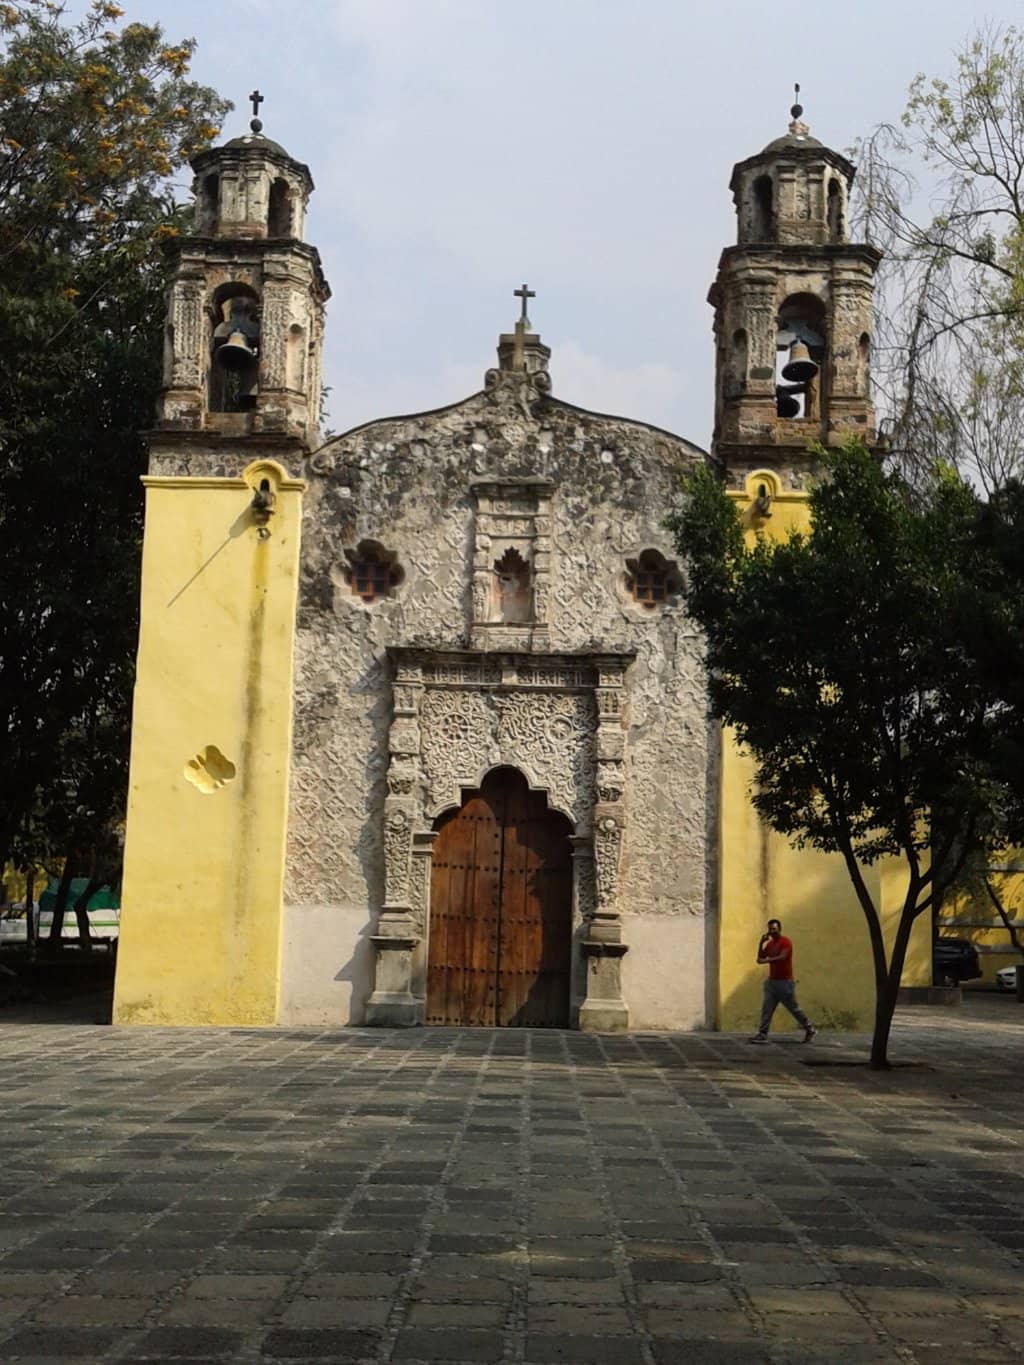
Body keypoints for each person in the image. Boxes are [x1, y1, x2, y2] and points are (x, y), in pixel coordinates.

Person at [749, 918, 817, 1043]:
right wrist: (761, 943)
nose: (772, 931)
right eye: (770, 929)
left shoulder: (786, 942)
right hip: (772, 982)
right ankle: (762, 1033)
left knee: (794, 1009)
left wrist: (767, 960)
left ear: (780, 929)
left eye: (774, 929)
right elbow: (760, 958)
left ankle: (809, 1029)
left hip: (785, 982)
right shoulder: (770, 944)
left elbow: (783, 957)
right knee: (767, 1008)